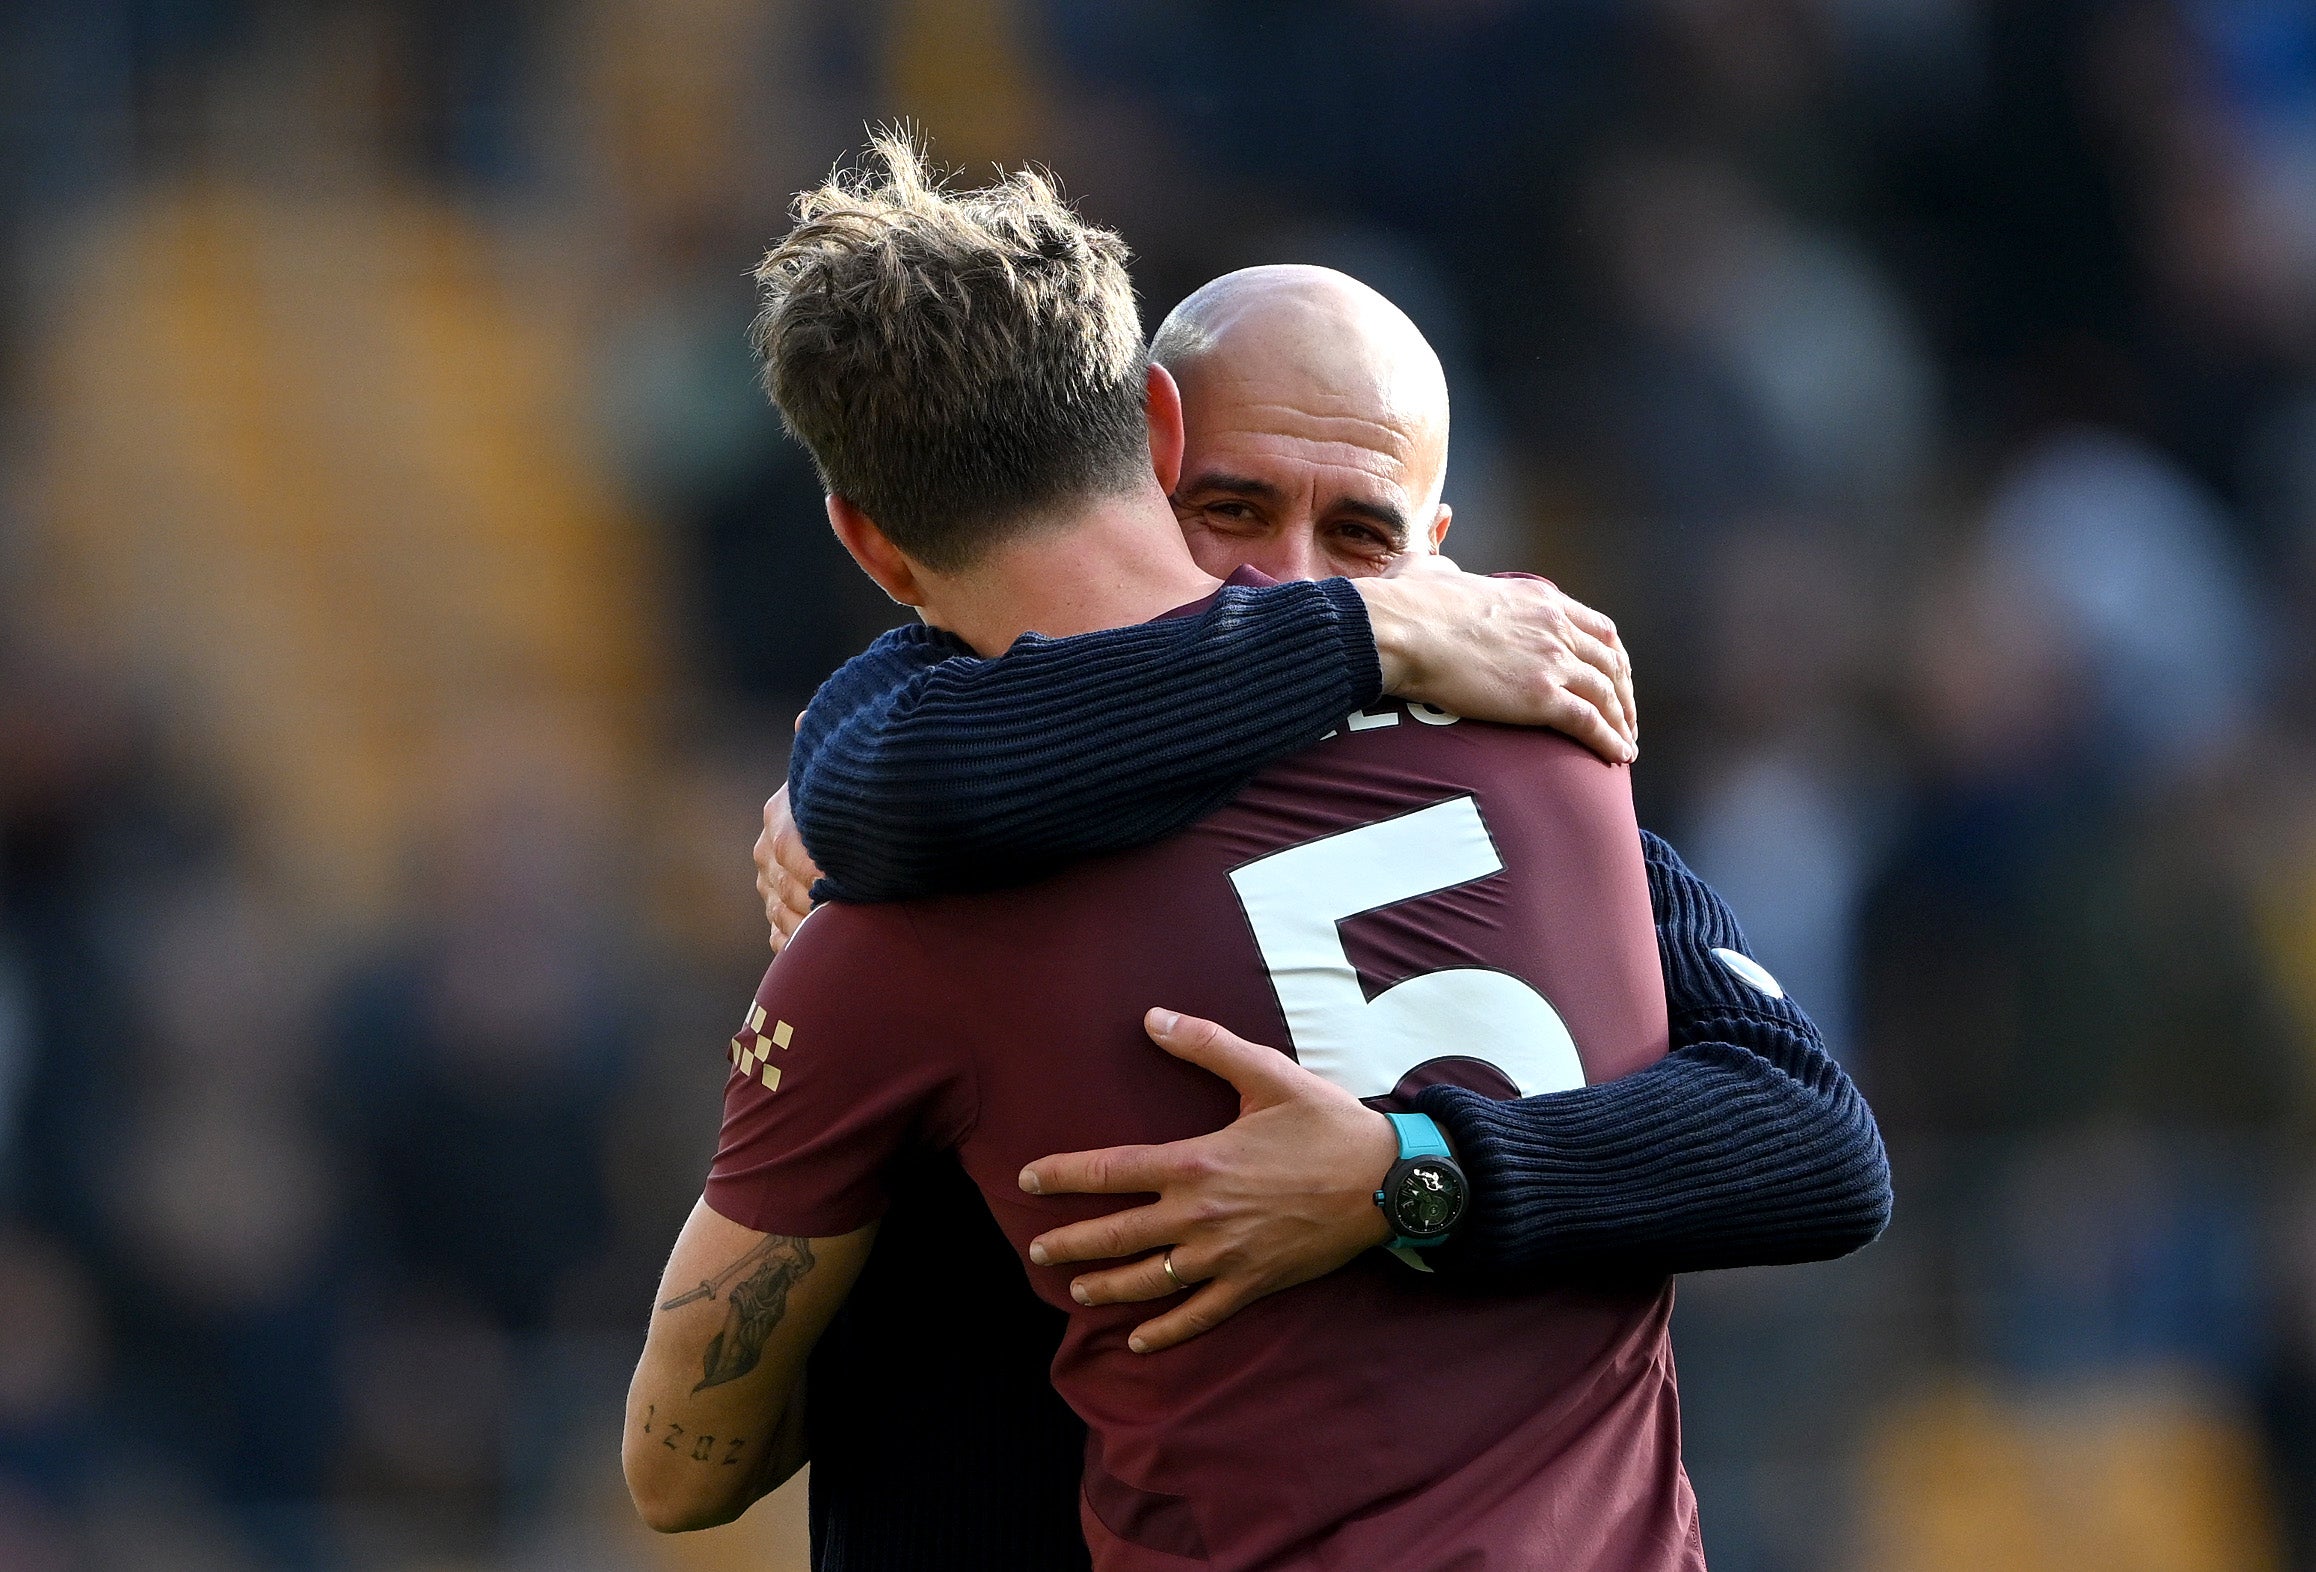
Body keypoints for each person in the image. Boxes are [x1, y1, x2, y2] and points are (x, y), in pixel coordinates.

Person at [626, 135, 1729, 1569]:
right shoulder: (1541, 735)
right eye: (1238, 510)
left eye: (1358, 540)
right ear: (1157, 434)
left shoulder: (902, 915)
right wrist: (1376, 632)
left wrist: (1404, 1173)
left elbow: (677, 1466)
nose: (1291, 576)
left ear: (862, 536)